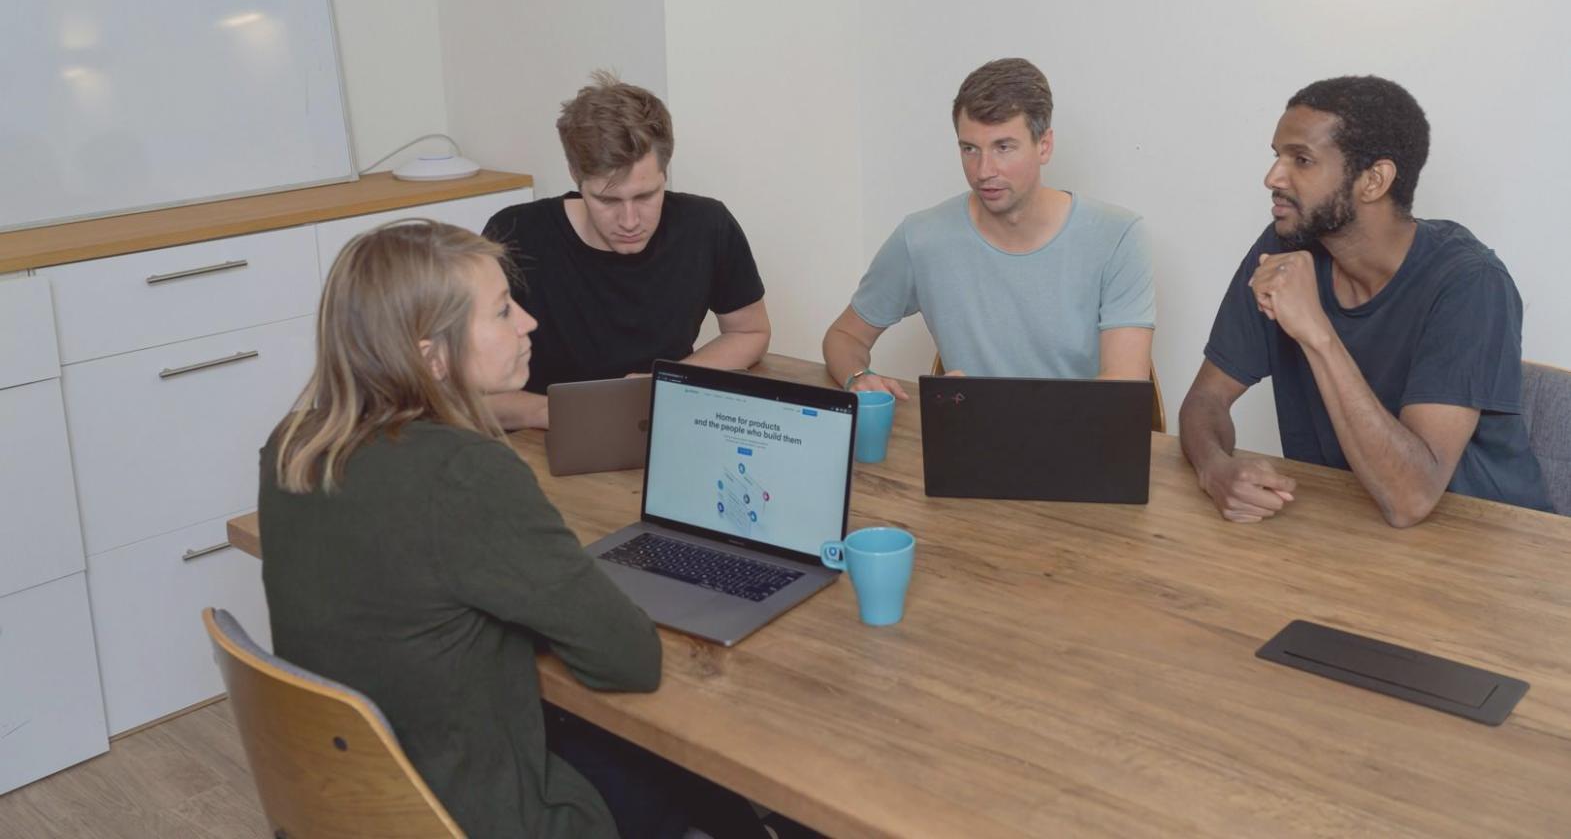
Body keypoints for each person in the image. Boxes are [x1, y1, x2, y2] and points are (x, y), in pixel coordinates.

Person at [258, 220, 768, 838]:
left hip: (350, 799)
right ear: (433, 356)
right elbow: (629, 659)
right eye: (502, 311)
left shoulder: (294, 445)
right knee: (694, 775)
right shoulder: (464, 473)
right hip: (476, 813)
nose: (528, 323)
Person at [1180, 75, 1549, 526]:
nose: (1272, 177)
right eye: (1277, 156)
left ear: (1373, 180)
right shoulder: (1285, 249)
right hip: (1350, 530)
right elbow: (1206, 399)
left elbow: (1410, 499)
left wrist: (1315, 331)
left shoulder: (1470, 284)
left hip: (1493, 549)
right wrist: (1215, 468)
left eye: (1301, 159)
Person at [822, 57, 1155, 398]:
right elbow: (844, 337)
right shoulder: (921, 237)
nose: (983, 170)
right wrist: (858, 376)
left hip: (1080, 441)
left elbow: (1122, 390)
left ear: (1044, 145)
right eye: (970, 149)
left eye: (1004, 147)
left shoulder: (1118, 237)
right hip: (968, 442)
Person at [483, 71, 770, 429]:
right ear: (575, 175)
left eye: (646, 196)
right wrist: (561, 412)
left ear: (665, 171)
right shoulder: (516, 234)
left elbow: (749, 332)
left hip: (663, 425)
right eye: (607, 200)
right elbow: (468, 394)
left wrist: (668, 384)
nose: (630, 220)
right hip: (546, 436)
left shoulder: (706, 225)